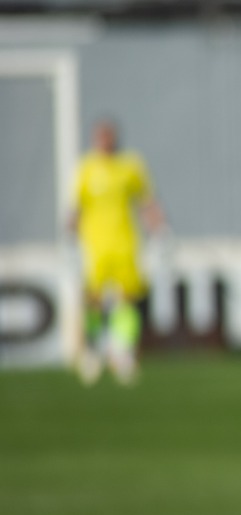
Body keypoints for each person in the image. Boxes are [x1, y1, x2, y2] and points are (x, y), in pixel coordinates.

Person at [67, 119, 165, 385]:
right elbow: (77, 206)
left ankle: (121, 351)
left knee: (128, 298)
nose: (105, 141)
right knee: (94, 298)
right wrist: (70, 232)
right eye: (100, 136)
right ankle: (93, 349)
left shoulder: (131, 166)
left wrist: (158, 225)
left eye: (108, 136)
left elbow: (146, 200)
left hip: (125, 243)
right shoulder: (87, 168)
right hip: (96, 246)